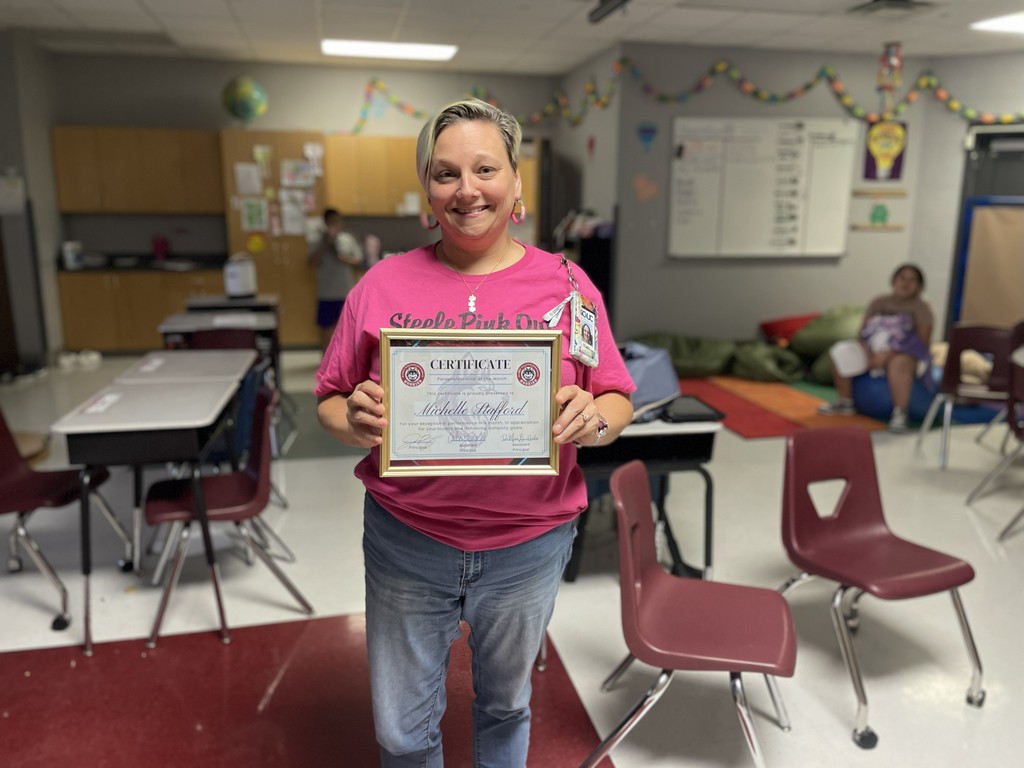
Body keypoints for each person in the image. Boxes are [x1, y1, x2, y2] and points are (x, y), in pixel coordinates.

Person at [313, 98, 635, 767]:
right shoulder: (380, 285)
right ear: (428, 190)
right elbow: (330, 402)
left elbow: (616, 397)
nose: (467, 190)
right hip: (409, 542)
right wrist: (354, 420)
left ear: (515, 184)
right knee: (402, 733)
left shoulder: (571, 287)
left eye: (485, 169)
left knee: (506, 706)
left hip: (529, 546)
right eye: (445, 173)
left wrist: (594, 420)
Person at [818, 263, 934, 433]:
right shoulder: (879, 302)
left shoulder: (922, 309)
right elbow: (863, 332)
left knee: (899, 363)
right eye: (902, 278)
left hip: (904, 353)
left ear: (919, 285)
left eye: (912, 280)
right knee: (842, 351)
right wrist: (868, 353)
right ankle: (845, 401)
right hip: (873, 348)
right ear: (894, 281)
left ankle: (900, 413)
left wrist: (889, 354)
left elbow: (921, 342)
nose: (906, 283)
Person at [308, 207, 364, 351]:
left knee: (348, 328)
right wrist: (326, 244)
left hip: (345, 292)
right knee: (326, 328)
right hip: (326, 293)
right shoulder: (317, 241)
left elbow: (357, 261)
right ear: (325, 223)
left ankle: (345, 359)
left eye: (337, 222)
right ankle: (325, 360)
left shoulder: (347, 239)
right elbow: (311, 263)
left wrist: (340, 257)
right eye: (331, 222)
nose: (335, 225)